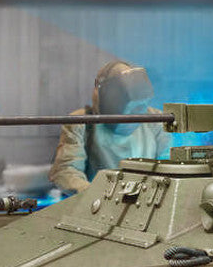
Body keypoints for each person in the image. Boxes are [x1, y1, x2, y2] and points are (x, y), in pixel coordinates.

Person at [49, 60, 171, 194]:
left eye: (139, 108)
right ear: (107, 98)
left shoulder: (156, 120)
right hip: (95, 203)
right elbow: (66, 171)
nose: (135, 115)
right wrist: (100, 197)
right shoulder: (81, 122)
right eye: (129, 109)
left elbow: (169, 168)